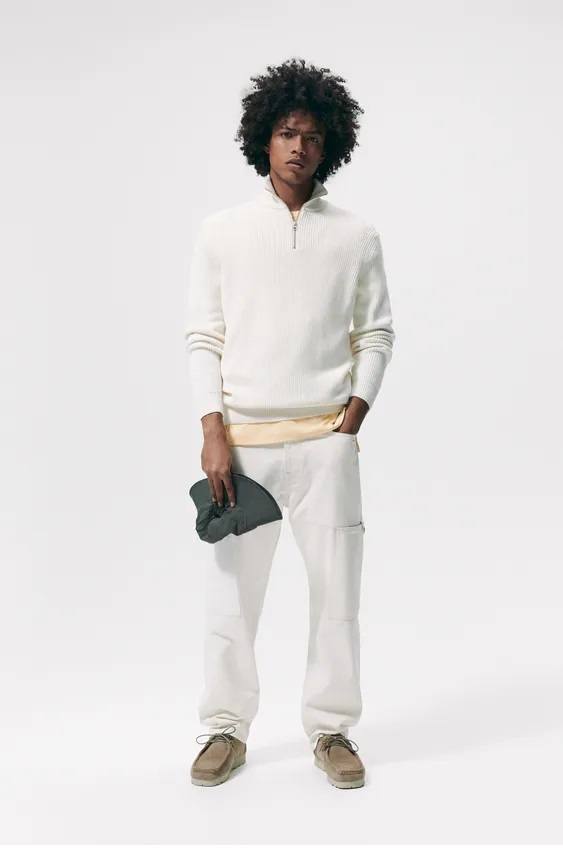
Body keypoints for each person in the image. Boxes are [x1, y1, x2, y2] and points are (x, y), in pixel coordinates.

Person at [184, 57, 395, 789]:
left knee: (337, 599)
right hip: (243, 450)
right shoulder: (221, 232)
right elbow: (203, 337)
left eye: (311, 135)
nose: (298, 146)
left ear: (329, 143)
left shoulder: (356, 236)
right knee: (229, 603)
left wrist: (349, 423)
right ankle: (224, 728)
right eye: (285, 132)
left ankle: (331, 729)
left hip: (325, 447)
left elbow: (375, 333)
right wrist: (213, 430)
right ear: (263, 140)